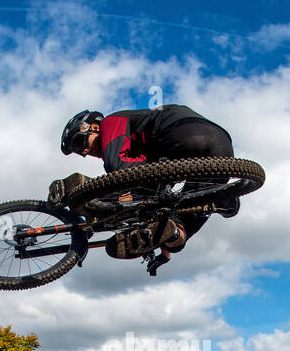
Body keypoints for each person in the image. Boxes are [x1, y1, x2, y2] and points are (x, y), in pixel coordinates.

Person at [53, 105, 238, 272]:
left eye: (79, 143)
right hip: (223, 147)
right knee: (180, 224)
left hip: (182, 132)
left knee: (120, 172)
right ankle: (185, 227)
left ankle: (82, 190)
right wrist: (163, 254)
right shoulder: (140, 147)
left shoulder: (111, 122)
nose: (84, 153)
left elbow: (118, 166)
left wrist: (106, 197)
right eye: (78, 152)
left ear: (93, 126)